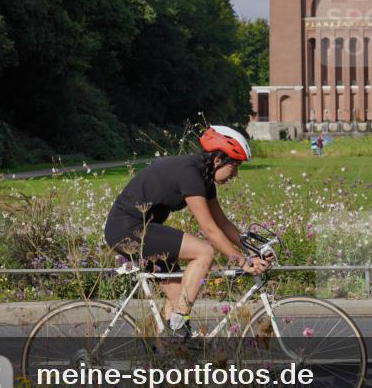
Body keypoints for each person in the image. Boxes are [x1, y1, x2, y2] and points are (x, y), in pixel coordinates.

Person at [103, 125, 270, 340]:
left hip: (141, 229)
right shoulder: (190, 174)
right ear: (218, 160)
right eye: (235, 167)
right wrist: (242, 262)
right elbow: (210, 230)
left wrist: (251, 249)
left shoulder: (204, 177)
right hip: (126, 229)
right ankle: (179, 322)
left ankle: (163, 356)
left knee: (178, 296)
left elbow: (223, 223)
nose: (235, 174)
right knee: (204, 251)